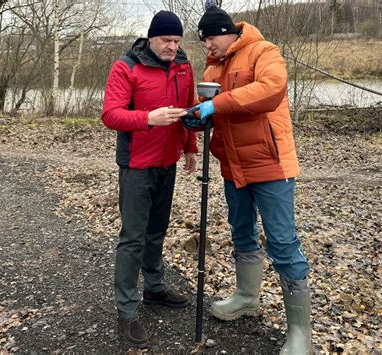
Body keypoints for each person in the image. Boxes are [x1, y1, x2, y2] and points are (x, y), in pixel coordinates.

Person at [188, 3, 311, 354]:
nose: (207, 46)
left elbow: (271, 91)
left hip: (270, 163)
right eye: (203, 41)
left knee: (283, 243)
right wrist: (199, 116)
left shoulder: (264, 51)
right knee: (240, 230)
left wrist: (218, 104)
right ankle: (246, 297)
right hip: (233, 164)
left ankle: (301, 334)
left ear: (227, 32)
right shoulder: (213, 66)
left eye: (210, 38)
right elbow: (212, 106)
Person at [101, 10, 198, 348]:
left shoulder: (184, 66)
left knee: (157, 230)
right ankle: (126, 310)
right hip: (137, 166)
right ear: (151, 37)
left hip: (167, 162)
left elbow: (189, 108)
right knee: (133, 237)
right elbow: (110, 115)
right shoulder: (126, 66)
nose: (172, 46)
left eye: (176, 40)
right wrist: (148, 118)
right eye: (166, 40)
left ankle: (154, 288)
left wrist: (190, 147)